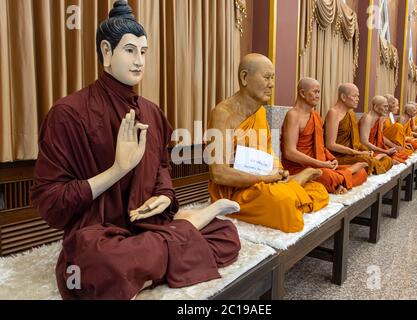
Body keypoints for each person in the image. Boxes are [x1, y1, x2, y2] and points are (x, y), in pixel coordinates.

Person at [31, 0, 241, 300]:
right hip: (98, 234)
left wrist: (164, 196)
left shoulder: (151, 112)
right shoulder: (69, 113)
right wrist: (118, 169)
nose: (139, 61)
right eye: (130, 50)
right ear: (106, 52)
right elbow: (49, 202)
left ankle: (145, 266)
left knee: (227, 235)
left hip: (148, 226)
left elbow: (162, 169)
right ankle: (183, 231)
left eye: (144, 51)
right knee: (88, 267)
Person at [208, 54, 329, 234]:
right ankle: (293, 189)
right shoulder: (223, 114)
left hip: (261, 182)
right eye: (266, 77)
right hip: (234, 191)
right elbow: (219, 174)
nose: (271, 84)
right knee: (285, 204)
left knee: (319, 189)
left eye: (273, 78)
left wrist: (278, 172)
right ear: (244, 77)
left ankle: (291, 187)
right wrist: (267, 179)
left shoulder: (260, 113)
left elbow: (268, 154)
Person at [281, 78, 367, 195]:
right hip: (300, 169)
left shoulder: (316, 115)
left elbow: (320, 146)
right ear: (302, 93)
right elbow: (289, 152)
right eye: (315, 92)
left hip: (319, 165)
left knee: (362, 172)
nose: (318, 96)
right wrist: (321, 164)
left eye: (319, 92)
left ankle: (339, 183)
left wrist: (332, 159)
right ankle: (342, 180)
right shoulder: (293, 115)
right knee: (329, 177)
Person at [325, 83, 392, 175]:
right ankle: (372, 163)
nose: (358, 99)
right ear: (343, 97)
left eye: (358, 96)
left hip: (352, 154)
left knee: (387, 159)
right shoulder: (333, 113)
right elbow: (330, 144)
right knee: (366, 160)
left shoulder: (351, 114)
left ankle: (371, 164)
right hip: (337, 156)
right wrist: (357, 153)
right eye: (355, 96)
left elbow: (356, 142)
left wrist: (366, 151)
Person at [358, 96, 409, 164]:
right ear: (375, 107)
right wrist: (384, 151)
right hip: (366, 150)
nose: (386, 109)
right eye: (385, 106)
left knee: (401, 154)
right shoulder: (367, 118)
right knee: (386, 160)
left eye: (387, 107)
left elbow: (380, 137)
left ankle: (382, 158)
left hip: (375, 148)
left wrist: (394, 147)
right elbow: (364, 143)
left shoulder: (378, 119)